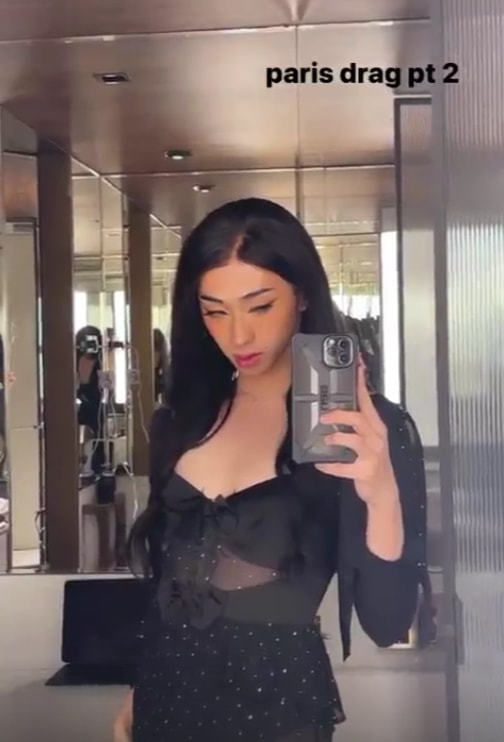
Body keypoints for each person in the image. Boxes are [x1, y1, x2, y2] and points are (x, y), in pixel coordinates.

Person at [114, 198, 427, 742]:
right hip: (163, 708)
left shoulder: (365, 429)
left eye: (259, 307)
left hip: (276, 715)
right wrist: (136, 696)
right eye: (215, 311)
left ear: (301, 294)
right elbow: (171, 589)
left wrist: (381, 492)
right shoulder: (182, 419)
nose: (237, 336)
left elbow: (388, 621)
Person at [75, 325, 105, 475]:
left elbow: (106, 387)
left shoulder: (101, 362)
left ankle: (95, 467)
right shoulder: (73, 361)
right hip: (76, 402)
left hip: (95, 403)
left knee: (97, 432)